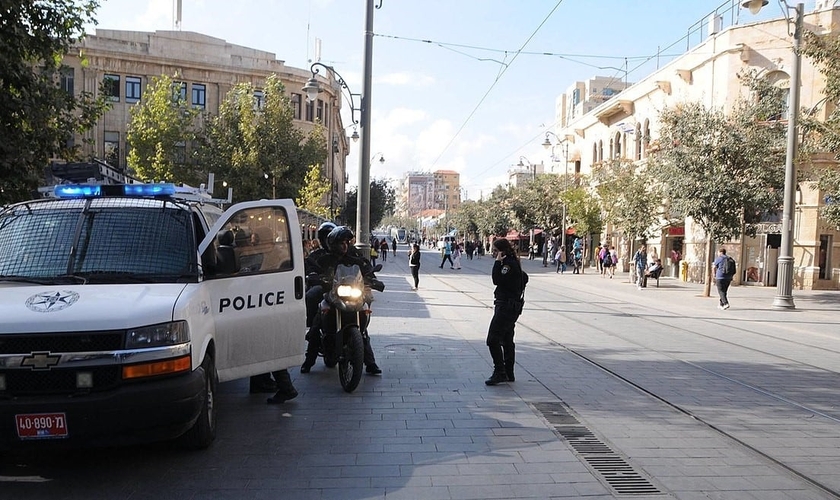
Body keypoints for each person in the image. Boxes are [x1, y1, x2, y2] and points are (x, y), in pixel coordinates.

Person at [310, 225, 382, 374]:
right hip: (331, 296)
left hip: (351, 295)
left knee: (362, 328)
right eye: (340, 243)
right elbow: (312, 268)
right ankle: (308, 360)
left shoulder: (353, 259)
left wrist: (372, 279)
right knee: (318, 320)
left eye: (346, 242)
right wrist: (314, 277)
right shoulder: (323, 259)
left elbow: (365, 268)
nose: (344, 246)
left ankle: (370, 363)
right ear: (333, 244)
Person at [485, 238, 526, 386]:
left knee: (492, 339)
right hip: (510, 307)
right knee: (507, 340)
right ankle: (509, 372)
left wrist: (497, 262)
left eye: (495, 251)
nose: (493, 253)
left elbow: (496, 279)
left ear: (502, 251)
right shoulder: (512, 262)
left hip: (506, 308)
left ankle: (500, 372)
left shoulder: (508, 264)